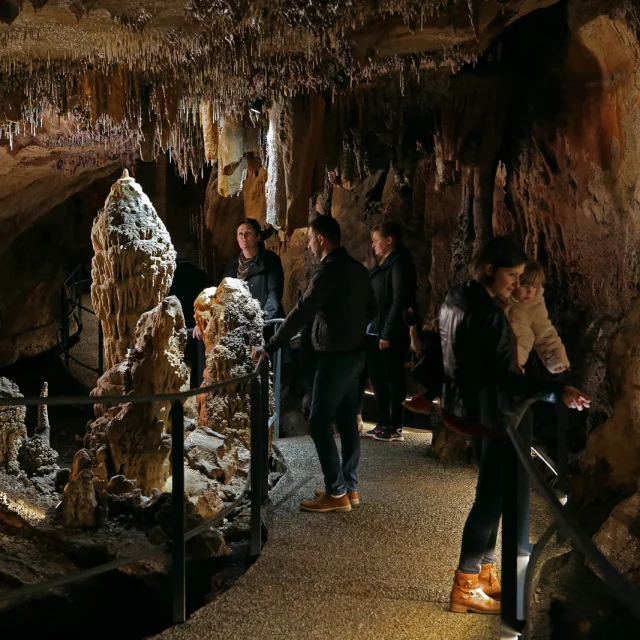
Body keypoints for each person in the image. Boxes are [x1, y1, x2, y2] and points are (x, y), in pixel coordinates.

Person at [439, 236, 590, 615]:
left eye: (522, 276)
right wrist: (558, 392)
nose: (516, 283)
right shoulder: (491, 315)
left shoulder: (458, 296)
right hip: (494, 413)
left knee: (491, 490)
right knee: (490, 501)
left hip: (466, 407)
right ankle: (466, 583)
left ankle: (487, 573)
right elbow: (508, 380)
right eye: (512, 274)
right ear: (490, 269)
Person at [251, 215, 376, 514]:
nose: (308, 245)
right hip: (357, 354)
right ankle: (349, 487)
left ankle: (335, 492)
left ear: (321, 239)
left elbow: (302, 311)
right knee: (346, 421)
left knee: (319, 422)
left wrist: (270, 346)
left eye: (309, 239)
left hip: (336, 358)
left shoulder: (328, 272)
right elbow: (373, 308)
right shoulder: (358, 269)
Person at [363, 221, 417, 442]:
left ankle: (395, 425)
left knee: (393, 378)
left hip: (389, 331)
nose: (373, 245)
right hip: (375, 328)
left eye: (376, 240)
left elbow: (398, 300)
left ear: (389, 240)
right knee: (377, 377)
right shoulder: (384, 263)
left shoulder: (399, 263)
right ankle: (383, 421)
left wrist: (387, 333)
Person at [193, 218, 284, 341]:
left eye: (248, 233)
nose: (243, 236)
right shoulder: (233, 265)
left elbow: (273, 297)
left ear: (257, 237)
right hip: (239, 330)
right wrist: (205, 320)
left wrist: (259, 323)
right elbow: (220, 294)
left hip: (265, 330)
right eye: (240, 233)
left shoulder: (269, 261)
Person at [503, 262, 571, 373]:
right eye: (525, 285)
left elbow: (545, 334)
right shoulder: (500, 299)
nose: (530, 291)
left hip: (513, 365)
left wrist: (557, 361)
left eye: (534, 286)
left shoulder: (535, 306)